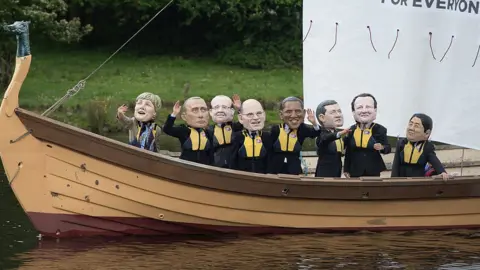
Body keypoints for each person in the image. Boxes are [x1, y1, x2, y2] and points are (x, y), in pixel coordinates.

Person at [269, 96, 321, 175]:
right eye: (288, 112)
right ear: (281, 114)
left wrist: (314, 123)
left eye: (298, 111)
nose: (293, 115)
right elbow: (269, 149)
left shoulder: (302, 129)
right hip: (276, 167)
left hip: (294, 167)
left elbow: (315, 133)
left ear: (303, 113)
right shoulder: (276, 130)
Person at [343, 93, 391, 177]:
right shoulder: (351, 130)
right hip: (355, 169)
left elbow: (388, 147)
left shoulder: (380, 129)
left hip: (373, 169)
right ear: (353, 112)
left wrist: (382, 147)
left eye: (368, 107)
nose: (364, 111)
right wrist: (346, 169)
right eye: (359, 107)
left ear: (375, 110)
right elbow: (348, 151)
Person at [391, 113, 449, 180]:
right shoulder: (401, 144)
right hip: (402, 180)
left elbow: (435, 161)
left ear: (427, 133)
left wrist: (442, 172)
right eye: (410, 124)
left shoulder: (427, 147)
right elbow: (395, 165)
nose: (411, 128)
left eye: (416, 126)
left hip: (418, 181)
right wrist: (393, 181)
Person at [163, 97, 214, 165]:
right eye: (195, 110)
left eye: (203, 110)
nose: (200, 115)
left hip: (205, 168)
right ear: (184, 117)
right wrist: (174, 114)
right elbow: (167, 129)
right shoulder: (184, 131)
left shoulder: (209, 133)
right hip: (186, 167)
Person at [230, 99, 272, 173]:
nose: (256, 117)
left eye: (259, 113)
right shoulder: (237, 137)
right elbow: (233, 162)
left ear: (264, 115)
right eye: (250, 114)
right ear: (240, 118)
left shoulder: (268, 137)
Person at [314, 100, 350, 177]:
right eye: (333, 112)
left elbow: (340, 146)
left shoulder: (336, 133)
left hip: (337, 171)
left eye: (339, 111)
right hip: (325, 174)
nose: (338, 115)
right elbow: (325, 139)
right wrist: (340, 133)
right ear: (322, 117)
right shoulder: (322, 134)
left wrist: (348, 136)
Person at [208, 94, 243, 168]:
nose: (220, 110)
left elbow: (245, 122)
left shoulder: (235, 127)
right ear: (211, 112)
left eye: (224, 107)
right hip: (215, 167)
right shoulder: (209, 131)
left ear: (232, 111)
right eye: (216, 107)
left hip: (234, 167)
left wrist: (240, 110)